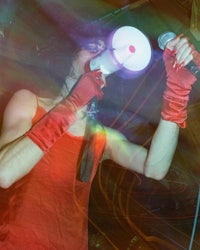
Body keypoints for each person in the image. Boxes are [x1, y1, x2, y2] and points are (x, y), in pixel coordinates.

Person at [0, 33, 199, 249]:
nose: (102, 54)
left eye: (107, 51)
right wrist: (72, 105)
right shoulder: (30, 102)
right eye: (93, 47)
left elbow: (155, 168)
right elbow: (4, 172)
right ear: (72, 58)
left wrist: (177, 95)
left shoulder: (101, 137)